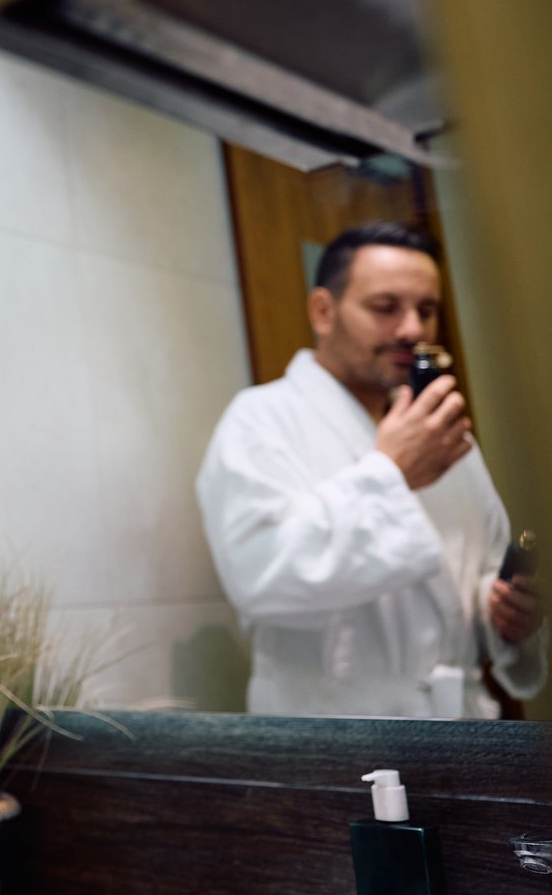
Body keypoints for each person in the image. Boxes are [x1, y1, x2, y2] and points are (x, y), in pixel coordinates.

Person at [196, 221, 544, 717]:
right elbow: (260, 577)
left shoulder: (445, 433)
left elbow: (476, 570)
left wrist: (504, 611)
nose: (411, 330)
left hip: (459, 732)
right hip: (333, 739)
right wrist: (391, 473)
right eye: (386, 308)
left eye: (426, 310)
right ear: (323, 310)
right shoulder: (259, 420)